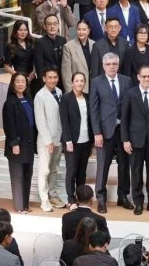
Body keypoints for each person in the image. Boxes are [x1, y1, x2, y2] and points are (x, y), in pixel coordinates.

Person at [89, 52, 133, 212]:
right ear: (103, 66)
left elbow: (130, 106)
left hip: (123, 131)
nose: (112, 67)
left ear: (118, 65)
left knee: (124, 165)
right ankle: (101, 199)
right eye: (108, 64)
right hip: (104, 132)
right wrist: (97, 132)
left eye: (114, 64)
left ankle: (123, 197)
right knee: (103, 166)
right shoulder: (96, 82)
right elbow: (93, 109)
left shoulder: (126, 80)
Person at [121, 64, 149, 214]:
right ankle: (138, 202)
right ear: (138, 77)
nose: (147, 79)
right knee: (136, 172)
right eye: (144, 76)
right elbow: (124, 119)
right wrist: (125, 139)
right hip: (135, 141)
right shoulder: (130, 94)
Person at [2, 72, 36, 213]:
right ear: (13, 84)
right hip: (17, 145)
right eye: (18, 81)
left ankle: (25, 204)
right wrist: (14, 143)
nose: (21, 84)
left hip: (29, 144)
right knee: (17, 176)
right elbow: (8, 125)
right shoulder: (10, 102)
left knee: (27, 174)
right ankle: (19, 206)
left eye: (23, 81)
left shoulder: (28, 99)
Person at [34, 67, 65, 212]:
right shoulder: (40, 96)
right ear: (44, 78)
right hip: (46, 141)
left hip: (58, 138)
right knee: (44, 170)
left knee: (54, 169)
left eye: (55, 77)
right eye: (50, 77)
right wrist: (48, 141)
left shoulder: (59, 92)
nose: (53, 80)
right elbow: (40, 121)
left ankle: (52, 195)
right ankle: (44, 199)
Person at [61, 73, 93, 203]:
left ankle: (82, 198)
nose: (79, 83)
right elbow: (64, 121)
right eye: (77, 81)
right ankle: (71, 199)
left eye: (82, 81)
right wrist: (68, 140)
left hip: (86, 141)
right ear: (72, 82)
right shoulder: (66, 98)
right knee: (72, 171)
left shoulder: (88, 97)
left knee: (82, 172)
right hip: (72, 142)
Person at [35, 12, 67, 83]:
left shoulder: (63, 40)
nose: (52, 26)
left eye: (55, 24)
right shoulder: (40, 43)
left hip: (62, 80)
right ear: (45, 26)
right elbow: (39, 67)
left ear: (58, 25)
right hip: (48, 81)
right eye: (49, 24)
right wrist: (44, 84)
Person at [63, 20, 94, 86]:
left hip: (93, 86)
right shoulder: (68, 47)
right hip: (77, 86)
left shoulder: (95, 44)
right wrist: (70, 91)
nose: (81, 32)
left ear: (89, 31)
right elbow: (66, 74)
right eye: (79, 29)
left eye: (84, 29)